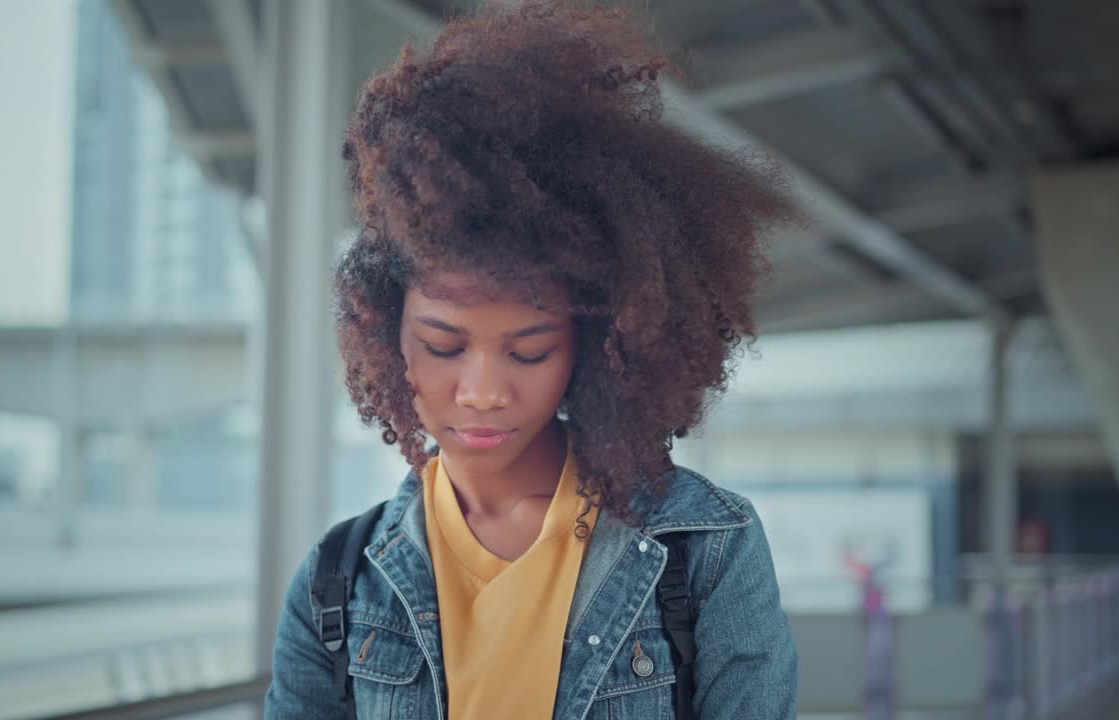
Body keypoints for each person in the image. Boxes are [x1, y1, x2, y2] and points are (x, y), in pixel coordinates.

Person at [264, 1, 798, 718]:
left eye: (530, 350)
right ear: (385, 335)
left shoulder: (706, 552)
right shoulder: (335, 584)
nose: (483, 391)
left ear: (597, 346)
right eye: (444, 345)